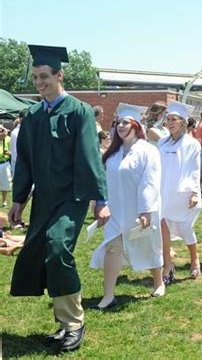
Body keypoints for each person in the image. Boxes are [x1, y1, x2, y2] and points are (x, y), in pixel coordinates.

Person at [8, 45, 109, 352]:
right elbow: (23, 161)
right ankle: (64, 323)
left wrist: (100, 200)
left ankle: (75, 322)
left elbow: (90, 157)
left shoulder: (78, 112)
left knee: (57, 248)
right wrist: (18, 200)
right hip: (44, 199)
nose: (39, 83)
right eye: (36, 77)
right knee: (43, 254)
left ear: (59, 75)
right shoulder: (34, 114)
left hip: (72, 198)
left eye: (44, 77)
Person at [90, 103, 165, 307]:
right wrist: (99, 204)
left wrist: (145, 210)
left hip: (140, 211)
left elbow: (150, 181)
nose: (120, 126)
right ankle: (108, 295)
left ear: (136, 125)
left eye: (125, 122)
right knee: (112, 248)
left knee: (149, 246)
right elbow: (103, 180)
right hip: (116, 212)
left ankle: (158, 282)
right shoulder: (112, 154)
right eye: (118, 123)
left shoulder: (148, 151)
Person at [159, 101, 202, 283]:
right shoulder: (162, 143)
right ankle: (167, 266)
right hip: (164, 192)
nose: (170, 123)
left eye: (173, 119)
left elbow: (194, 168)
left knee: (185, 228)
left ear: (183, 122)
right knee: (163, 229)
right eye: (167, 119)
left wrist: (193, 192)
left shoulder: (192, 144)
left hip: (183, 193)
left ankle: (194, 258)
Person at [0, 125, 12, 207]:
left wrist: (8, 153)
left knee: (5, 183)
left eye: (1, 130)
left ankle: (4, 201)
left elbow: (13, 152)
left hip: (5, 163)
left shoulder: (8, 139)